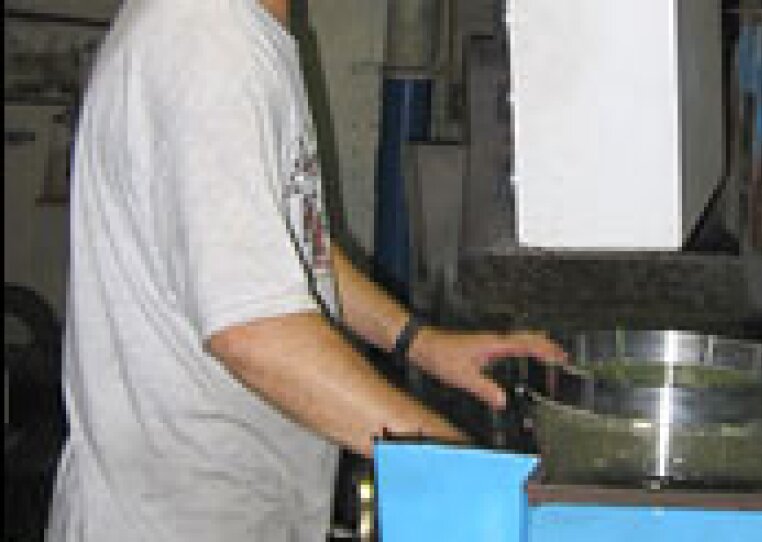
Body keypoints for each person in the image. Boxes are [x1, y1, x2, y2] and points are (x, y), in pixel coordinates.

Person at [46, 0, 566, 540]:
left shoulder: (241, 30)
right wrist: (465, 467)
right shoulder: (207, 40)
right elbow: (255, 334)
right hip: (177, 520)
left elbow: (288, 244)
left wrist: (423, 344)